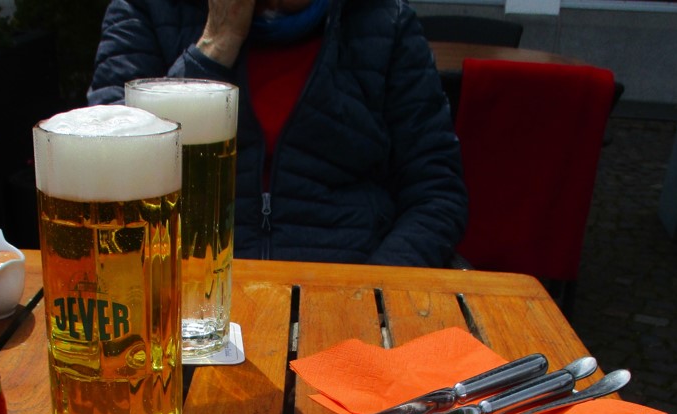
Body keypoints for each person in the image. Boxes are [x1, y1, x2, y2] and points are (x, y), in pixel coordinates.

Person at [87, 0, 468, 268]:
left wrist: (372, 291)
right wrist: (216, 45)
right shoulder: (146, 11)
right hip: (188, 296)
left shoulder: (385, 20)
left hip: (349, 286)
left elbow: (436, 192)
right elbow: (106, 170)